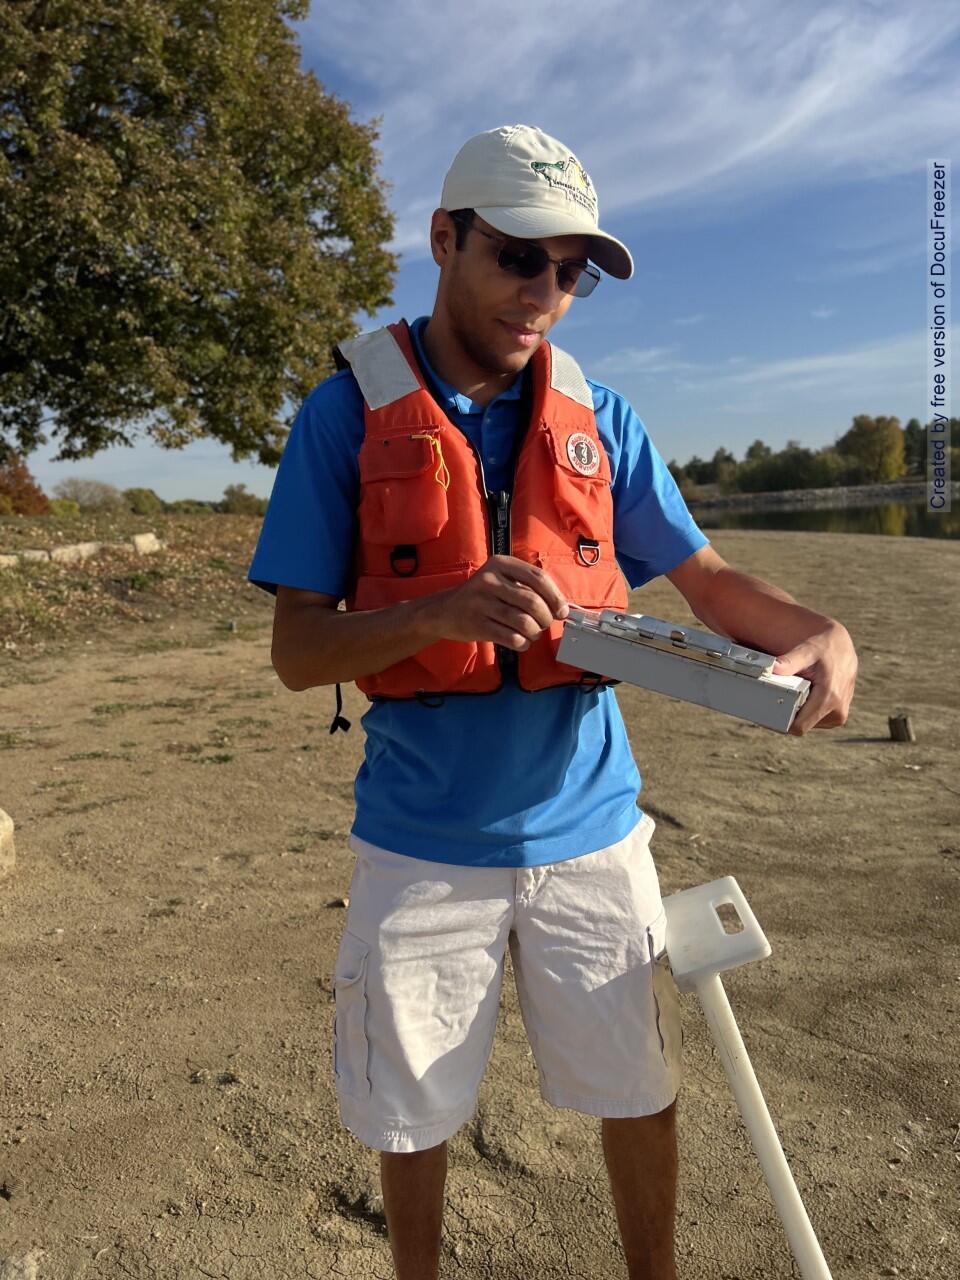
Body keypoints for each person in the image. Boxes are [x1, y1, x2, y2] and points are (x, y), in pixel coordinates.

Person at [248, 124, 858, 1280]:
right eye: (521, 258)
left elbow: (711, 581)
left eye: (573, 272)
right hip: (420, 845)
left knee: (639, 1087)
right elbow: (295, 649)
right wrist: (435, 613)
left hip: (595, 834)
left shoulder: (601, 419)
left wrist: (814, 632)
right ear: (444, 237)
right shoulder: (343, 413)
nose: (547, 294)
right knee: (411, 1113)